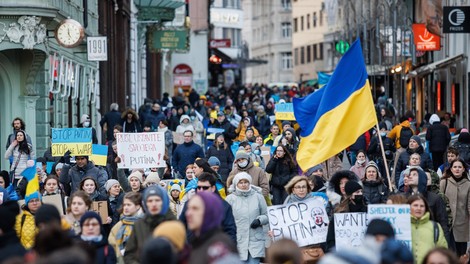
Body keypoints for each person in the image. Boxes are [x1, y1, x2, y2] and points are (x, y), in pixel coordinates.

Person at [124, 185, 175, 264]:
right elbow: (129, 254)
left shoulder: (174, 224)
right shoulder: (139, 225)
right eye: (150, 201)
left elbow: (183, 253)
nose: (154, 204)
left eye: (157, 200)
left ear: (164, 201)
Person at [180, 173, 237, 243]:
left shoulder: (224, 206)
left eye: (205, 188)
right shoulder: (189, 204)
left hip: (215, 249)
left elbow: (230, 231)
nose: (201, 190)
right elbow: (181, 226)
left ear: (213, 188)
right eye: (198, 187)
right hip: (193, 248)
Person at [226, 172, 268, 263]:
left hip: (255, 240)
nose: (244, 185)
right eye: (241, 182)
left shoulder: (258, 197)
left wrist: (260, 220)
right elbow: (225, 219)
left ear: (250, 183)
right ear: (236, 184)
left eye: (246, 182)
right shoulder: (230, 199)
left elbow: (267, 215)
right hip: (238, 240)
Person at [185, 192, 238, 264]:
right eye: (188, 208)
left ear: (210, 212)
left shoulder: (219, 248)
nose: (188, 213)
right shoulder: (196, 242)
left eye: (195, 208)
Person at [402, 167, 450, 241]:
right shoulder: (402, 198)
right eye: (410, 175)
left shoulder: (435, 198)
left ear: (422, 178)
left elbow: (443, 223)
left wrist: (445, 244)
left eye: (414, 175)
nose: (410, 176)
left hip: (430, 239)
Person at [439, 158, 470, 257]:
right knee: (449, 254)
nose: (457, 169)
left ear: (463, 169)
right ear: (451, 169)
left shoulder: (468, 184)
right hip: (447, 223)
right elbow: (440, 201)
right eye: (455, 167)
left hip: (463, 223)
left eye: (460, 167)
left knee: (461, 255)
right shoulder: (444, 182)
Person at [408, 194, 447, 264]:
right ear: (408, 207)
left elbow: (443, 251)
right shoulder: (403, 226)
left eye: (422, 206)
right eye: (415, 205)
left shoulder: (435, 227)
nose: (419, 208)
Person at [108, 192, 144, 264]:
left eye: (129, 205)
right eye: (124, 205)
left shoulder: (144, 224)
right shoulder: (119, 225)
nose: (126, 207)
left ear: (138, 206)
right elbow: (111, 245)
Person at [5, 130, 35, 198]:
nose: (19, 137)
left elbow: (33, 158)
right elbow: (6, 156)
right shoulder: (14, 146)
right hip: (14, 174)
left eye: (21, 135)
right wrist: (12, 145)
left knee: (23, 192)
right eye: (17, 135)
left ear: (24, 137)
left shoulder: (28, 147)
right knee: (15, 193)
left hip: (23, 174)